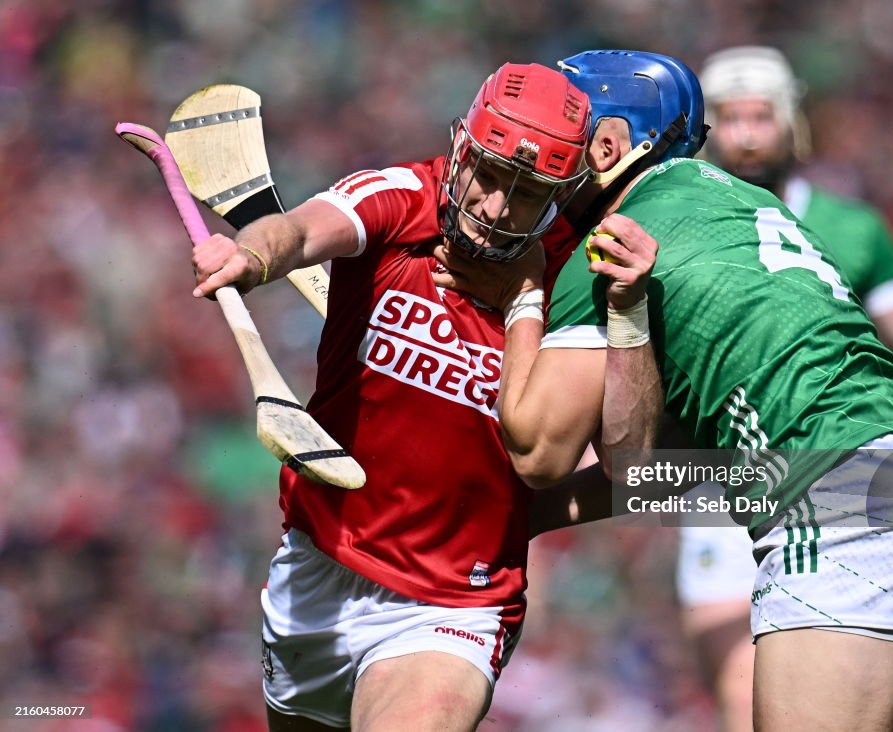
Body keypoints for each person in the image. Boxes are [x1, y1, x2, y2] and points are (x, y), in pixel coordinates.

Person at [435, 50, 893, 731]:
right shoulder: (737, 204)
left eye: (565, 132)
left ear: (608, 146)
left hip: (828, 489)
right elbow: (659, 470)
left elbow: (539, 453)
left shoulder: (617, 237)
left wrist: (523, 300)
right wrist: (521, 521)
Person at [191, 63, 594, 731]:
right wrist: (253, 258)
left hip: (451, 606)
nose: (496, 210)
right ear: (461, 143)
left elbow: (588, 465)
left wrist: (525, 302)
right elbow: (299, 232)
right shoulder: (403, 194)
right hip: (319, 566)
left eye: (526, 196)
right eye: (489, 177)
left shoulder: (574, 276)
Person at [672, 45, 893, 732]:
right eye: (728, 118)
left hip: (839, 470)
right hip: (724, 480)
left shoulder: (854, 229)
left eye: (760, 117)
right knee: (746, 693)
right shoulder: (677, 225)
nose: (743, 135)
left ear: (793, 123)